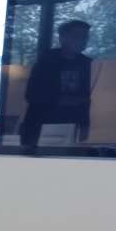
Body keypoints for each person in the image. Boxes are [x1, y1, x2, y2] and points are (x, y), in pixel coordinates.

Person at [19, 19, 93, 150]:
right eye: (76, 36)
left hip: (74, 125)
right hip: (42, 124)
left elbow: (90, 97)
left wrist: (85, 125)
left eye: (85, 37)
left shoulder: (88, 64)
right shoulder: (46, 61)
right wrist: (62, 100)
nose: (82, 41)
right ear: (62, 38)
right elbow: (31, 94)